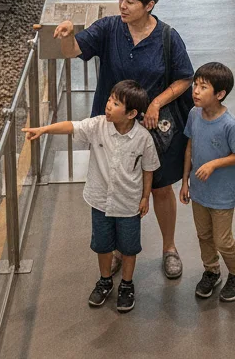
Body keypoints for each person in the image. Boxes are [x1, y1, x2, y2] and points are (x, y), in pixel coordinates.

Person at [53, 0, 194, 281]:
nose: (123, 6)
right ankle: (118, 249)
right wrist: (67, 36)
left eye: (130, 1)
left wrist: (156, 102)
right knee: (115, 187)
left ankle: (169, 248)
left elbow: (185, 78)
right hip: (113, 129)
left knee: (159, 188)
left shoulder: (168, 37)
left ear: (149, 5)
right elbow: (75, 51)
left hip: (154, 131)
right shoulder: (109, 29)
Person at [24, 79, 159, 314]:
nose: (108, 105)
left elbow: (148, 169)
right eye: (109, 99)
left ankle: (127, 284)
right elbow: (72, 126)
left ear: (131, 113)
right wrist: (44, 129)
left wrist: (145, 197)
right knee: (102, 245)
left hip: (128, 204)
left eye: (115, 103)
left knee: (129, 248)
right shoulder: (97, 126)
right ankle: (105, 280)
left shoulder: (143, 139)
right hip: (100, 200)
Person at [180, 62, 235, 303]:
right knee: (204, 235)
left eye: (203, 87)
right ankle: (211, 271)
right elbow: (189, 146)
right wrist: (185, 182)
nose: (196, 91)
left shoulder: (229, 124)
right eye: (195, 85)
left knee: (222, 240)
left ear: (219, 94)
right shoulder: (193, 114)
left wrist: (213, 164)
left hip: (221, 194)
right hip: (199, 191)